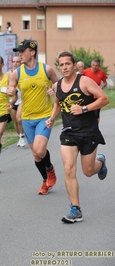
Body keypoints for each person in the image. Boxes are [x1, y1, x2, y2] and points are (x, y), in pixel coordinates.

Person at [46, 51, 108, 223]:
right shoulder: (57, 85)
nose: (64, 67)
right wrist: (52, 118)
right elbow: (58, 104)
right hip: (69, 132)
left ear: (74, 65)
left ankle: (100, 162)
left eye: (67, 64)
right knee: (68, 168)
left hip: (88, 131)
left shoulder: (84, 81)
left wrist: (84, 109)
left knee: (88, 171)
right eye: (61, 64)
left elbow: (104, 99)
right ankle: (75, 209)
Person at [7, 39, 59, 194]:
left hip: (44, 116)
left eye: (23, 51)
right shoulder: (16, 73)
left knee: (40, 149)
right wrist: (10, 91)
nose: (20, 55)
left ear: (32, 52)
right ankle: (45, 181)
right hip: (27, 118)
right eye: (19, 52)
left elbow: (60, 86)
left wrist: (53, 91)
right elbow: (11, 88)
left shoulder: (47, 70)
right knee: (36, 155)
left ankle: (50, 170)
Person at [7, 56, 26, 147]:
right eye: (13, 61)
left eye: (17, 61)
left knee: (19, 119)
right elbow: (5, 87)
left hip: (23, 100)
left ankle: (22, 137)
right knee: (15, 121)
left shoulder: (24, 73)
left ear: (21, 63)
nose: (15, 63)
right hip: (13, 100)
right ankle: (20, 136)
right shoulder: (8, 74)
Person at [82, 58, 108, 122]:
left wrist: (102, 86)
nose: (94, 67)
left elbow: (105, 82)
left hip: (97, 96)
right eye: (93, 65)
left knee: (96, 114)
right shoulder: (85, 72)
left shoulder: (101, 72)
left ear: (99, 66)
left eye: (96, 66)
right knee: (87, 113)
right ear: (91, 64)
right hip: (87, 95)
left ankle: (95, 128)